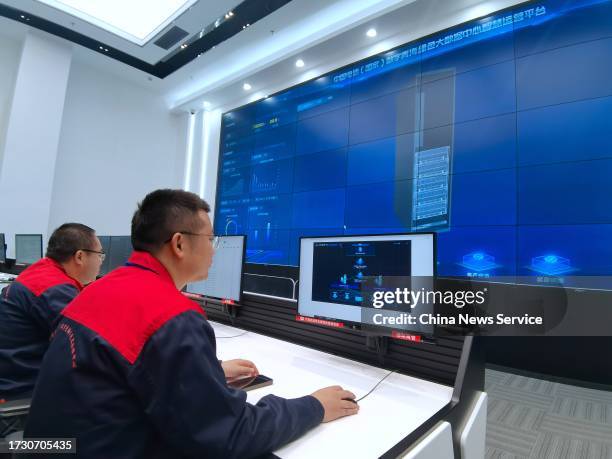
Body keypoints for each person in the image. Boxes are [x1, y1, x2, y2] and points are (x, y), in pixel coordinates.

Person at [24, 189, 358, 458]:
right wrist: (314, 406)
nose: (214, 249)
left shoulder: (101, 287)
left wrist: (207, 371)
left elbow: (130, 365)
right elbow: (230, 434)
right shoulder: (171, 316)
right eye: (210, 238)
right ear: (180, 243)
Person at [0, 223, 103, 401]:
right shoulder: (54, 290)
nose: (101, 260)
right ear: (80, 256)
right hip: (23, 396)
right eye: (99, 254)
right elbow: (88, 349)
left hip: (12, 380)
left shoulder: (41, 273)